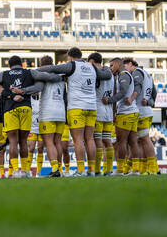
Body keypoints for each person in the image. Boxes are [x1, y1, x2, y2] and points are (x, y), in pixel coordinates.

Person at [0, 55, 62, 177]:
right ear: (22, 64)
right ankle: (26, 171)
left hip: (10, 109)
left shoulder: (4, 74)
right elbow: (46, 81)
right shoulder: (30, 72)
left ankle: (16, 170)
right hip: (25, 108)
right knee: (23, 141)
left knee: (13, 142)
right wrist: (59, 77)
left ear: (9, 65)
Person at [38, 47, 112, 176]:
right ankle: (92, 170)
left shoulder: (70, 66)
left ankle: (81, 170)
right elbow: (106, 75)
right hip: (92, 107)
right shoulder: (92, 67)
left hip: (77, 107)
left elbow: (52, 69)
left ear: (70, 57)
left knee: (78, 140)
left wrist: (31, 71)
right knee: (89, 139)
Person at [102, 58, 140, 176]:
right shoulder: (125, 75)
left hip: (126, 113)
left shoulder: (123, 74)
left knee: (121, 142)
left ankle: (120, 169)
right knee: (133, 142)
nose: (110, 68)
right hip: (132, 112)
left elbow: (123, 91)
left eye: (112, 65)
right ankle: (135, 169)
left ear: (119, 64)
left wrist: (110, 100)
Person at [123, 59, 159, 175]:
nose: (124, 69)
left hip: (140, 111)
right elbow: (155, 93)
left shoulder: (136, 73)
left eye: (125, 66)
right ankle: (141, 169)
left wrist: (131, 99)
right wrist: (148, 102)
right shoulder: (147, 74)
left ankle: (153, 169)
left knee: (143, 139)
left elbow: (137, 87)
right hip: (146, 110)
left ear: (130, 64)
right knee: (138, 141)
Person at [37, 55, 66, 177]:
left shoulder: (43, 76)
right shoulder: (61, 76)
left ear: (41, 65)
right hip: (61, 112)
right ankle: (58, 168)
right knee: (57, 142)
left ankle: (55, 169)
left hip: (48, 112)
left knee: (49, 142)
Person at [88, 52, 115, 176]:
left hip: (98, 111)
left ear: (92, 61)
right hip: (108, 112)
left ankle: (97, 170)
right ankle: (109, 169)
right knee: (107, 141)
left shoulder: (95, 73)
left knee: (97, 140)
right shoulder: (111, 74)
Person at [26, 93, 43, 177]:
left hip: (41, 128)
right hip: (32, 128)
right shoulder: (29, 99)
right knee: (31, 148)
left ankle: (38, 173)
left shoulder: (43, 97)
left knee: (40, 148)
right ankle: (27, 171)